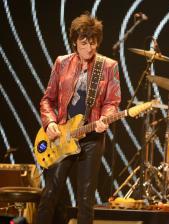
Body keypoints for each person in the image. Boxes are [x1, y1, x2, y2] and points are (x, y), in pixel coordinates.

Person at [36, 13, 121, 224]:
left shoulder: (108, 66)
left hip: (91, 138)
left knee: (85, 199)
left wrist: (105, 119)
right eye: (84, 43)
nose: (89, 48)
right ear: (75, 41)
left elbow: (112, 101)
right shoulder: (62, 63)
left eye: (93, 43)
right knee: (49, 194)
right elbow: (48, 99)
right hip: (62, 136)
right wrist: (51, 123)